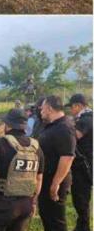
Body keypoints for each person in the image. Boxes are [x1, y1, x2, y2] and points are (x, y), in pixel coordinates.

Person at [0, 108, 44, 231]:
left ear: (7, 125)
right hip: (26, 204)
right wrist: (33, 202)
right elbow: (38, 178)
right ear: (24, 126)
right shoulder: (36, 147)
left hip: (3, 205)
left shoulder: (0, 144)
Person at [37, 95, 76, 230]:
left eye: (42, 109)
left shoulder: (64, 127)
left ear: (49, 108)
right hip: (47, 178)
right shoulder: (52, 126)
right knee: (46, 215)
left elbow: (67, 157)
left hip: (55, 179)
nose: (40, 111)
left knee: (56, 220)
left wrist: (55, 183)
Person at [65, 94, 92, 231]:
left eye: (72, 107)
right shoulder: (86, 118)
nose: (71, 110)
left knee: (81, 200)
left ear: (79, 106)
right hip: (84, 165)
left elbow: (75, 137)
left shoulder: (86, 119)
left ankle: (84, 228)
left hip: (83, 167)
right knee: (80, 199)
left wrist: (65, 127)